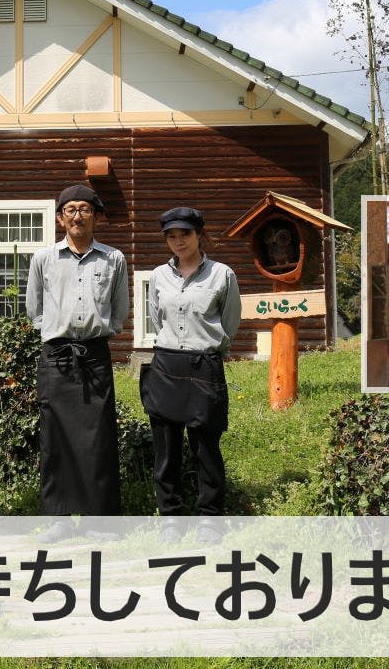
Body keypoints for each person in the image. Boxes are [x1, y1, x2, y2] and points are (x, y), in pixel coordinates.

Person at [26, 185, 128, 529]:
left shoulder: (113, 258)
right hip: (57, 357)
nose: (77, 216)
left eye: (85, 209)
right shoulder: (43, 259)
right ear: (60, 218)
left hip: (95, 355)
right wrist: (57, 331)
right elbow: (35, 310)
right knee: (55, 439)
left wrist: (99, 331)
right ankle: (58, 519)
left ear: (95, 216)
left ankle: (99, 521)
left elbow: (119, 311)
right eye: (70, 210)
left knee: (98, 438)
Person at [140, 207, 241, 540]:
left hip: (204, 366)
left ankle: (210, 518)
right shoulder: (159, 276)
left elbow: (230, 322)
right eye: (171, 236)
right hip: (166, 366)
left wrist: (206, 346)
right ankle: (171, 517)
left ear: (200, 234)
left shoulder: (222, 274)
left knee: (205, 448)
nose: (178, 241)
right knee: (166, 451)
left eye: (184, 234)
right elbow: (157, 318)